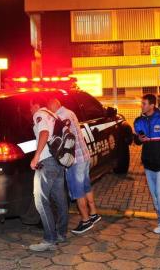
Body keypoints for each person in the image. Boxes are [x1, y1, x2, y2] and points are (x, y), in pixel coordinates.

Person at [47, 98, 101, 234]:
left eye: (48, 107)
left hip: (75, 160)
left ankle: (85, 220)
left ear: (53, 105)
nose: (48, 110)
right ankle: (94, 213)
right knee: (86, 186)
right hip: (84, 156)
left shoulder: (60, 117)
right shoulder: (70, 112)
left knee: (77, 191)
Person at [28, 96, 68, 252]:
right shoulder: (54, 115)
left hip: (47, 161)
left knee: (40, 200)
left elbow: (44, 133)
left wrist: (36, 156)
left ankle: (49, 239)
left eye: (30, 107)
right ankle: (61, 234)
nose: (30, 111)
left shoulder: (39, 114)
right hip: (59, 161)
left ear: (35, 104)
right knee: (60, 199)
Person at [134, 94, 160, 237]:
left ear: (152, 105)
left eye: (144, 103)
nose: (142, 106)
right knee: (154, 195)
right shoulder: (139, 121)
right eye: (142, 103)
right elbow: (138, 141)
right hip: (148, 163)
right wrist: (139, 138)